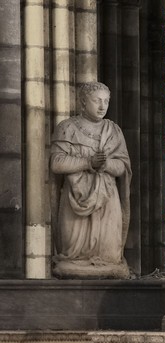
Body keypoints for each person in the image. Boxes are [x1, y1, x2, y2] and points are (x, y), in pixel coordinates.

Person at [49, 82, 131, 277]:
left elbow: (123, 167)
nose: (102, 106)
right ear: (84, 102)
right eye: (97, 101)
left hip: (107, 197)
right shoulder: (67, 128)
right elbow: (56, 163)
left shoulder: (113, 131)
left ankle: (108, 264)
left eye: (106, 101)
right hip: (75, 197)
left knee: (109, 254)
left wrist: (105, 165)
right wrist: (88, 162)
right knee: (71, 256)